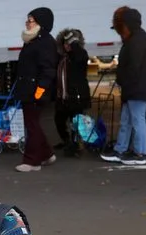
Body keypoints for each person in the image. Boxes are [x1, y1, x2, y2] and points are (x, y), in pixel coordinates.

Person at [101, 8, 146, 166]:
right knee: (128, 120)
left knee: (137, 120)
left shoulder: (136, 41)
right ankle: (121, 149)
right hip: (136, 87)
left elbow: (134, 67)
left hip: (137, 88)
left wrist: (122, 80)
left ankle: (139, 153)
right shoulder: (138, 38)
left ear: (125, 25)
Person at [13, 8, 58, 172]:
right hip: (28, 88)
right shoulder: (32, 40)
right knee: (33, 123)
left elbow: (48, 69)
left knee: (32, 125)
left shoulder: (44, 42)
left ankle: (32, 161)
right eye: (28, 20)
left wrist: (40, 90)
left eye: (31, 20)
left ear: (41, 23)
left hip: (35, 90)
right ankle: (46, 153)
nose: (27, 23)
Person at [53, 29, 90, 157]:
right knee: (59, 120)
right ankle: (67, 141)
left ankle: (75, 146)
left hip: (76, 95)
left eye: (69, 44)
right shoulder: (62, 58)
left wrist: (73, 43)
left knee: (76, 122)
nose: (67, 46)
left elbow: (79, 56)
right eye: (65, 43)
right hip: (63, 96)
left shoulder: (80, 55)